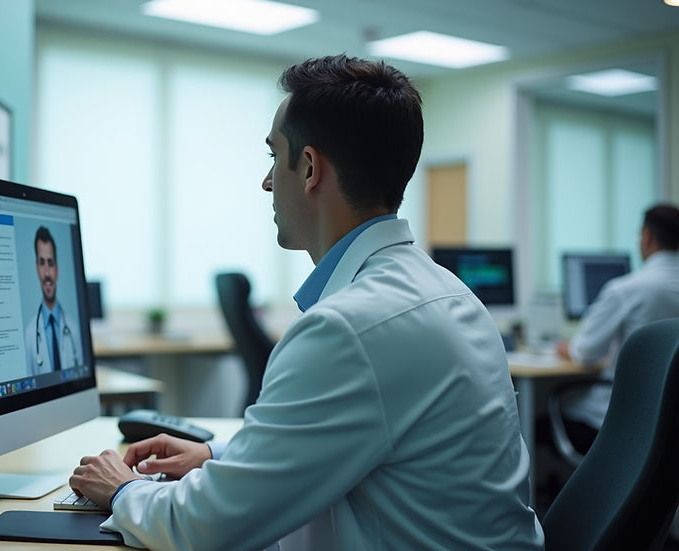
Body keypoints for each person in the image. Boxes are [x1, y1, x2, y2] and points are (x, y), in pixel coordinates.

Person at [69, 55, 544, 550]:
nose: (268, 181)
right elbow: (362, 434)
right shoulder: (445, 291)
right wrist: (216, 454)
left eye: (275, 156)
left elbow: (205, 529)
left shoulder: (350, 329)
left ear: (311, 168)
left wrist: (123, 489)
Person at [554, 204, 679, 454]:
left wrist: (570, 347)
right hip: (670, 417)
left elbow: (588, 353)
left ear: (646, 236)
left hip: (626, 415)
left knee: (555, 406)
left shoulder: (626, 289)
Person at [24, 225, 80, 376]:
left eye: (50, 263)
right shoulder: (30, 335)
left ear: (57, 269)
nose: (47, 273)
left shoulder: (73, 329)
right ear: (37, 268)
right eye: (42, 263)